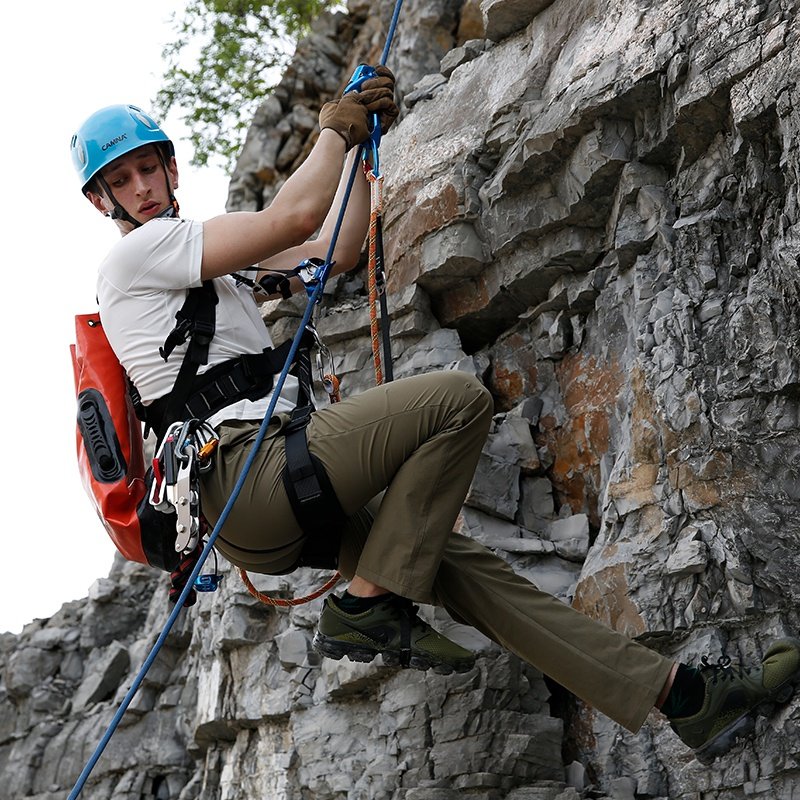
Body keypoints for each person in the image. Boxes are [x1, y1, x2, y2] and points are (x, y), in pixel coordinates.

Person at [70, 71, 800, 765]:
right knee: (455, 401)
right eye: (120, 180)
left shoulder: (206, 269)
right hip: (243, 475)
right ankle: (364, 608)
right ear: (104, 200)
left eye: (146, 169)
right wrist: (335, 123)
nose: (139, 188)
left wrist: (358, 151)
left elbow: (335, 248)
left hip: (266, 492)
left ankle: (690, 700)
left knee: (474, 576)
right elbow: (290, 214)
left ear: (168, 167)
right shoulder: (137, 259)